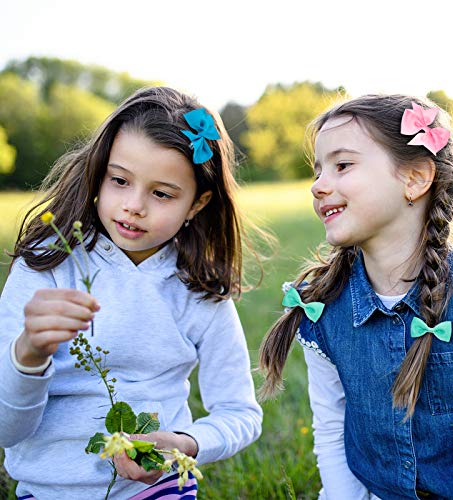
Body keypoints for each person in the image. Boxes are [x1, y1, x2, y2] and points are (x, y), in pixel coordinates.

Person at [0, 86, 262, 499]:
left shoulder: (200, 291)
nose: (134, 205)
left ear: (197, 203)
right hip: (47, 489)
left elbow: (240, 413)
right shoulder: (46, 268)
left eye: (161, 193)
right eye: (120, 180)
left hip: (155, 489)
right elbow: (6, 429)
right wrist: (28, 355)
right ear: (99, 173)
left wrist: (184, 443)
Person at [259, 94, 453, 499]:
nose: (318, 185)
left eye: (342, 165)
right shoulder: (322, 308)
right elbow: (333, 431)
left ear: (415, 179)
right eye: (317, 170)